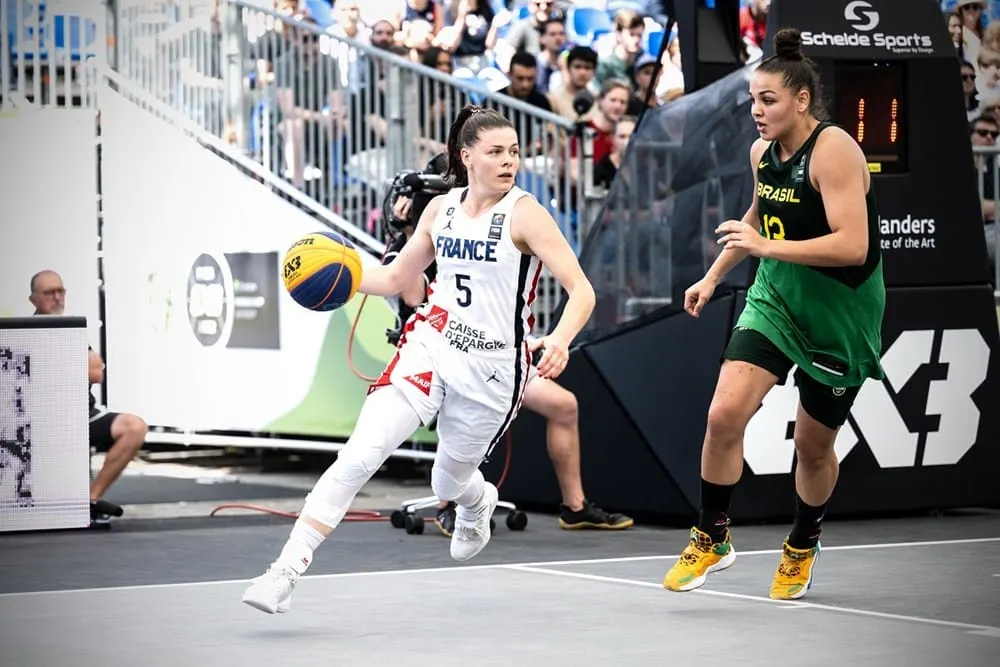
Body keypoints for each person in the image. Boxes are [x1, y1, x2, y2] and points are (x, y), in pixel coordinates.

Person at [243, 104, 598, 614]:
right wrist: (338, 270)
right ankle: (284, 572)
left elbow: (581, 290)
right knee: (360, 455)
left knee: (446, 482)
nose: (509, 161)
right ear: (466, 156)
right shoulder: (440, 211)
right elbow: (391, 280)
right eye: (496, 152)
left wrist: (561, 338)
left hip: (494, 368)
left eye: (515, 152)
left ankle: (477, 502)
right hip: (431, 344)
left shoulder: (526, 214)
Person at [662, 28, 885, 600]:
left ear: (802, 101)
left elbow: (852, 245)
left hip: (840, 312)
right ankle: (712, 537)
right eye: (753, 101)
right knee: (722, 415)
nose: (757, 112)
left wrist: (767, 249)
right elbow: (760, 217)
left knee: (812, 446)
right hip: (776, 299)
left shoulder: (836, 149)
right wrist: (713, 276)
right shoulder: (762, 152)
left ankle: (802, 543)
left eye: (769, 101)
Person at [384, 158, 632, 535]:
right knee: (458, 400)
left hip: (496, 353)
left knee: (563, 405)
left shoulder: (493, 228)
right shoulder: (424, 230)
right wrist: (407, 231)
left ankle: (575, 507)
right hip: (440, 354)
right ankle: (450, 504)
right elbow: (412, 295)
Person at [29, 270, 148, 525]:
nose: (57, 297)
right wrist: (79, 368)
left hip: (84, 415)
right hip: (45, 419)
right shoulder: (27, 334)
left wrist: (79, 368)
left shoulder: (72, 330)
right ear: (34, 300)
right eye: (49, 293)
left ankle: (90, 500)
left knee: (135, 427)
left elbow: (96, 372)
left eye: (60, 291)